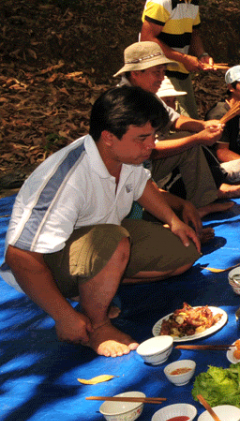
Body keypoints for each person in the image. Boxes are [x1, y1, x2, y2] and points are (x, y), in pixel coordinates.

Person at [1, 86, 201, 357]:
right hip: (50, 264)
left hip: (103, 240)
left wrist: (172, 220)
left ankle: (96, 289)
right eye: (142, 138)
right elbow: (19, 257)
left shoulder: (127, 157)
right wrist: (63, 316)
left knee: (184, 253)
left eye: (153, 135)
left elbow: (142, 186)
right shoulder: (67, 178)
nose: (151, 145)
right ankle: (96, 323)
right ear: (108, 137)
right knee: (112, 241)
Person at [115, 41, 240, 211]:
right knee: (190, 143)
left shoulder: (147, 94)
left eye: (163, 72)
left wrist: (203, 125)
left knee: (189, 143)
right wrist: (196, 139)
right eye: (157, 73)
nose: (162, 78)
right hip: (129, 175)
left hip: (145, 164)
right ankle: (191, 208)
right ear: (135, 74)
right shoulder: (124, 105)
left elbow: (174, 120)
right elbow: (149, 150)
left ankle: (204, 201)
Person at [140, 0, 216, 118]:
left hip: (182, 73)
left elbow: (194, 33)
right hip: (160, 74)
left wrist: (202, 54)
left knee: (190, 120)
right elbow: (147, 38)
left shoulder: (192, 0)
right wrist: (183, 58)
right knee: (173, 125)